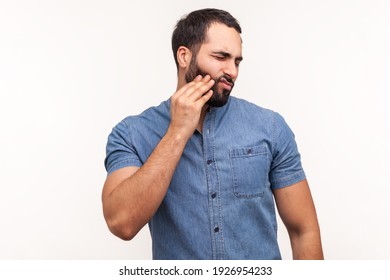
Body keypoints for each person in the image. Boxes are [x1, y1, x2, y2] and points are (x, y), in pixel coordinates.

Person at [102, 8, 323, 260]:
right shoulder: (132, 133)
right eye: (221, 57)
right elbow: (121, 223)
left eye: (237, 61)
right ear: (184, 56)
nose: (233, 71)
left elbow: (303, 230)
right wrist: (177, 132)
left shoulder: (270, 127)